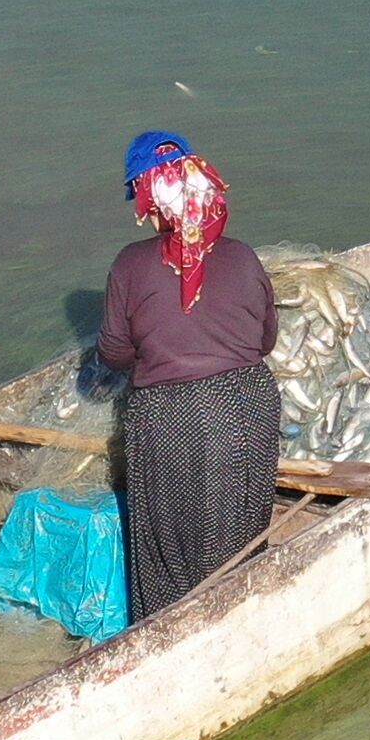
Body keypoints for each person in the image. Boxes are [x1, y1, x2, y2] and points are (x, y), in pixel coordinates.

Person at [97, 132, 278, 623]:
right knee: (241, 521)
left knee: (169, 542)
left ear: (150, 197)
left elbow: (113, 353)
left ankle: (173, 625)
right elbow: (265, 342)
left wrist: (157, 352)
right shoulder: (243, 256)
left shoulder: (130, 264)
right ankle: (244, 612)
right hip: (250, 402)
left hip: (171, 412)